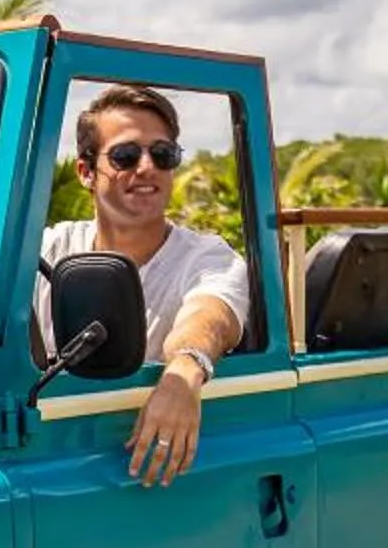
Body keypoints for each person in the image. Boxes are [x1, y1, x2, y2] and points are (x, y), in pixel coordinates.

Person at [36, 84, 249, 487]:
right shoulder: (51, 248)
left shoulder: (208, 258)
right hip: (48, 444)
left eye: (163, 154)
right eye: (126, 155)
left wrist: (184, 372)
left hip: (137, 460)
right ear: (85, 172)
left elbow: (210, 315)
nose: (147, 167)